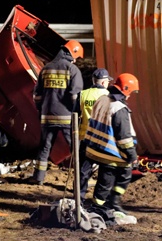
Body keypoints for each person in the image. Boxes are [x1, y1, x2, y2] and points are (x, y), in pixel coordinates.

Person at [85, 72, 140, 226]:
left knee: (105, 179)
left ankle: (102, 204)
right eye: (131, 92)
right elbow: (124, 138)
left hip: (94, 147)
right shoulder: (119, 108)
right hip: (109, 152)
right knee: (122, 173)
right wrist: (132, 155)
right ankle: (107, 204)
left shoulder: (102, 99)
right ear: (126, 90)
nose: (130, 96)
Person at [28, 40, 84, 185]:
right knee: (75, 149)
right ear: (72, 53)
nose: (76, 60)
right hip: (66, 117)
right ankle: (80, 180)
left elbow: (37, 96)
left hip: (47, 116)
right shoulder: (72, 70)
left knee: (45, 147)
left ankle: (38, 177)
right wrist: (77, 114)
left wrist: (42, 109)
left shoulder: (46, 69)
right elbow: (75, 97)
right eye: (76, 57)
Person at [76, 68, 112, 199]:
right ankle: (100, 201)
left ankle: (79, 198)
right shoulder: (110, 96)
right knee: (105, 172)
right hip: (104, 140)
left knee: (83, 171)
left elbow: (75, 115)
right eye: (108, 81)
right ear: (103, 83)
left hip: (86, 138)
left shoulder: (83, 94)